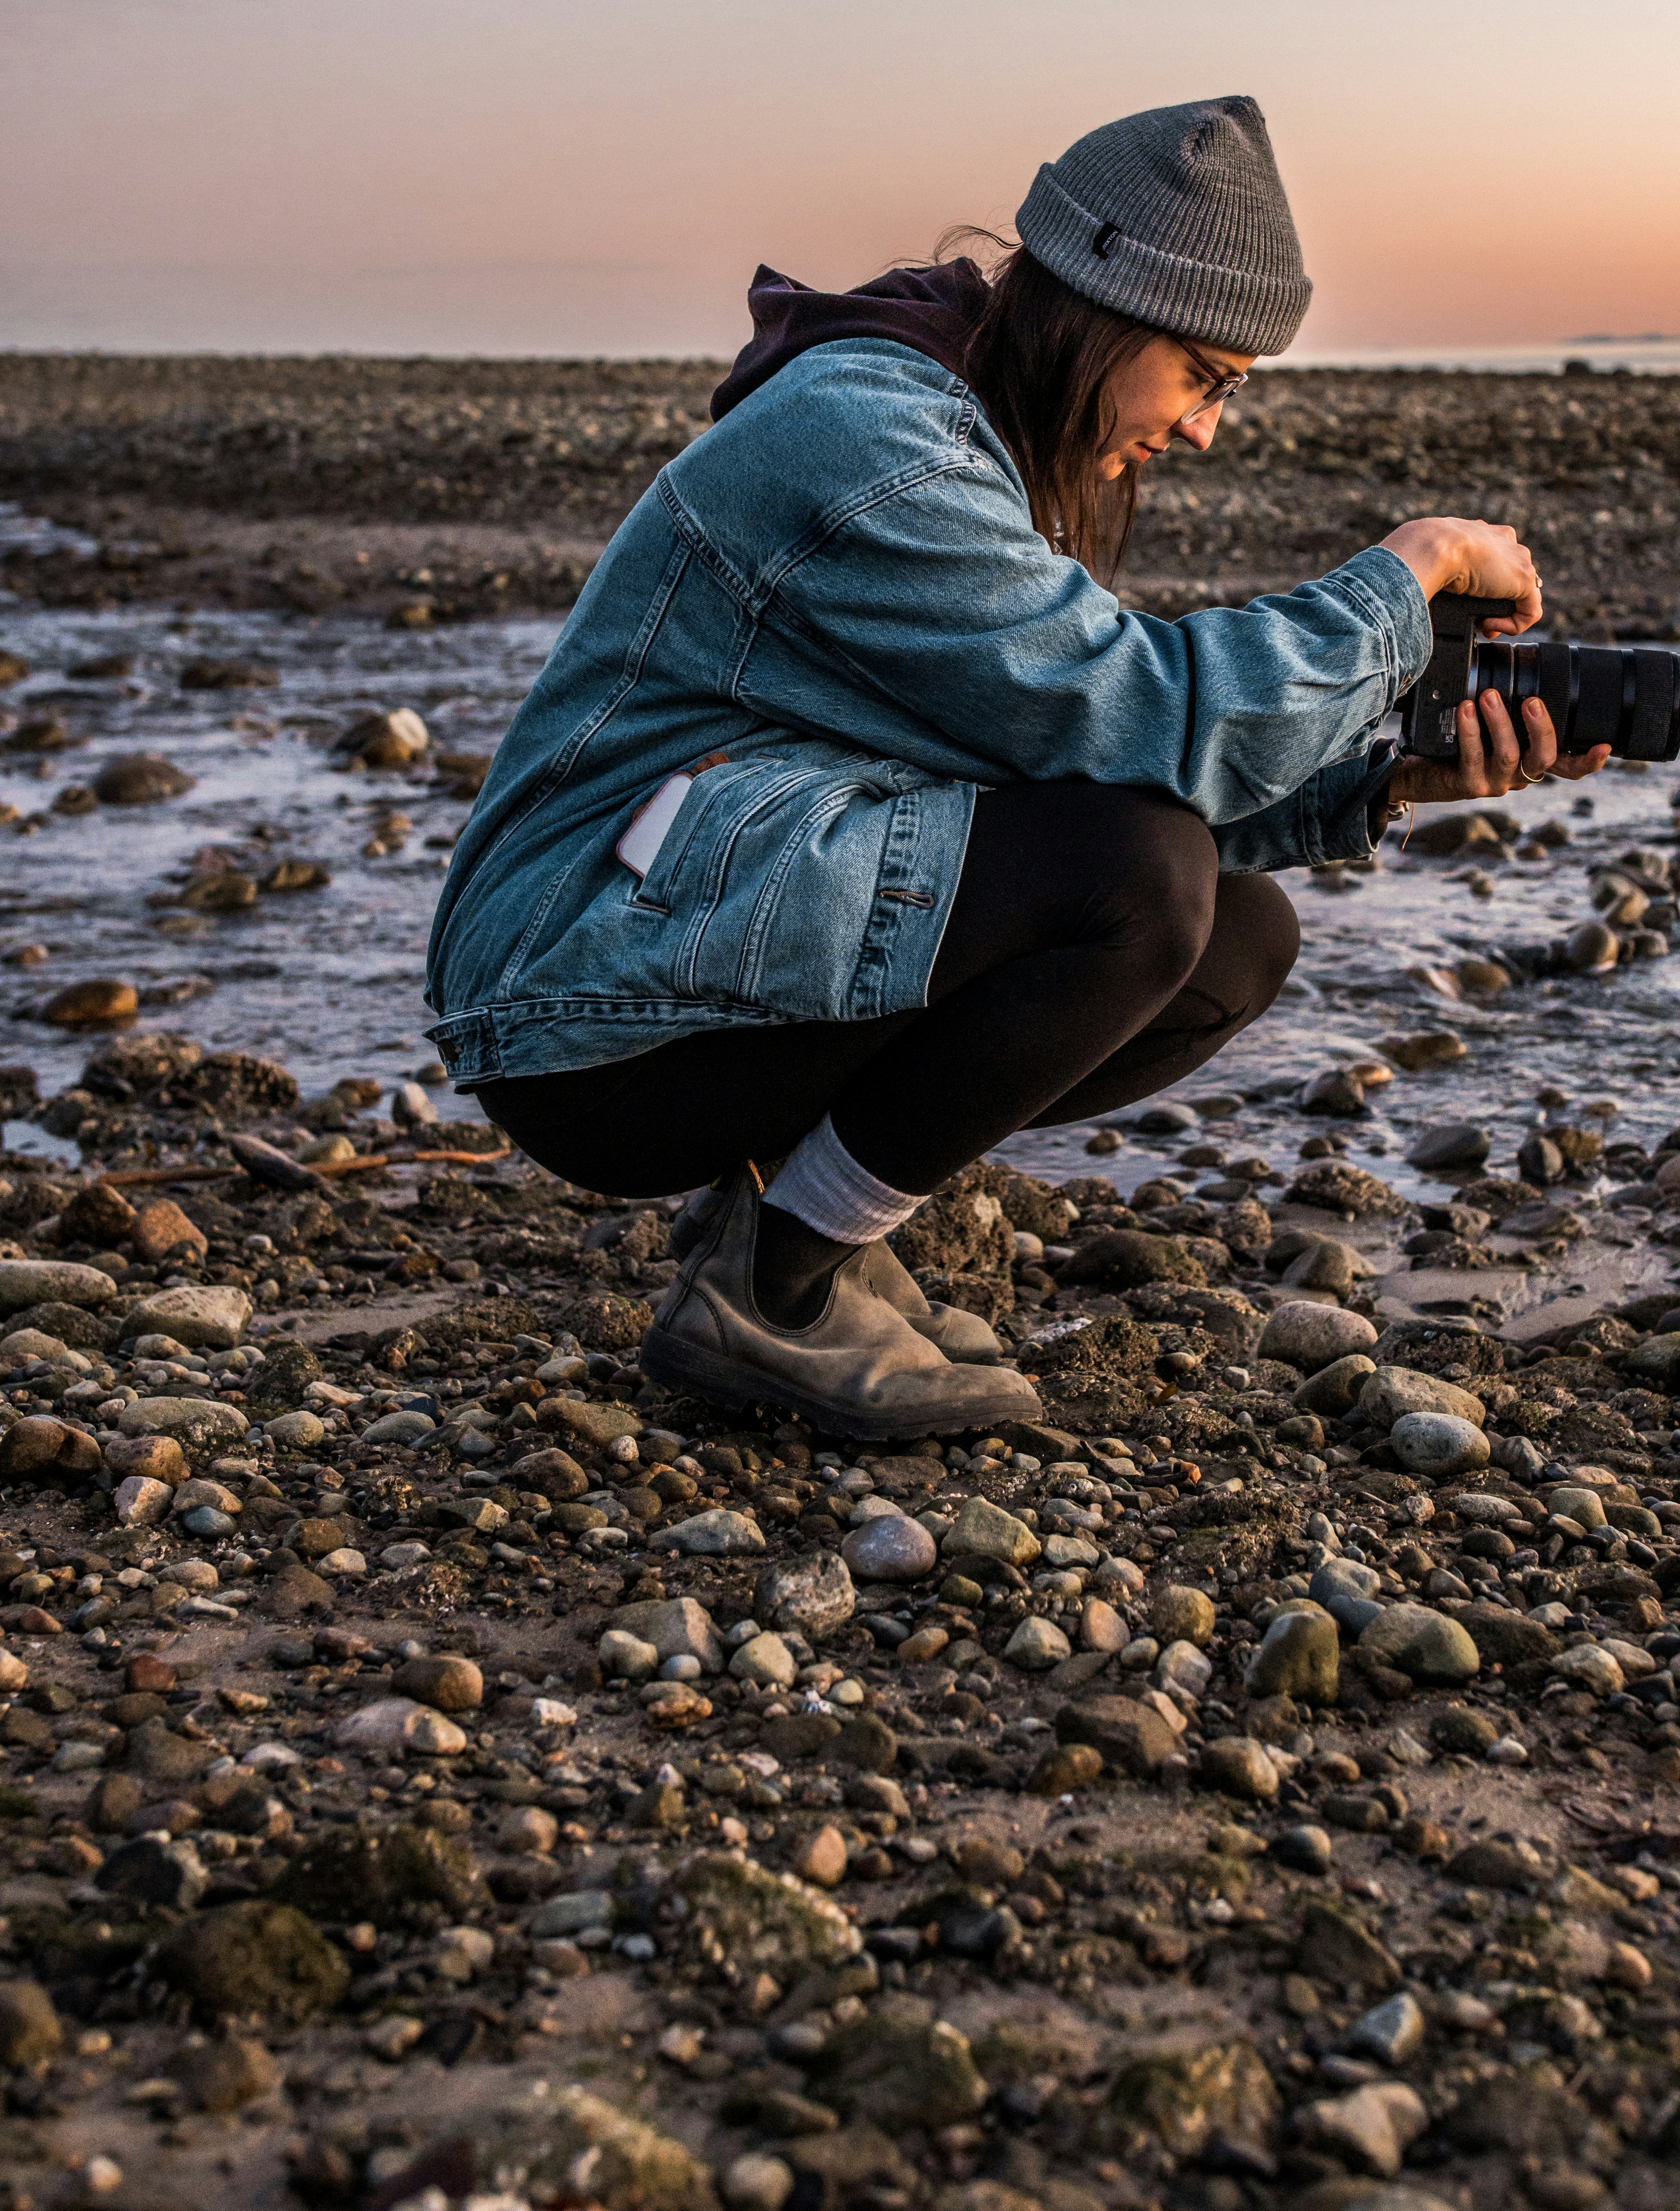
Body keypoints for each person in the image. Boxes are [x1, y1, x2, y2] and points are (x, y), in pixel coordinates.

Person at [424, 96, 1609, 1440]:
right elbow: (1146, 720)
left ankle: (800, 1219)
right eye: (1207, 378)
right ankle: (774, 1287)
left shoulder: (954, 427)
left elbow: (1091, 744)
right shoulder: (881, 445)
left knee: (1231, 931)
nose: (1209, 429)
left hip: (677, 928)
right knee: (1142, 880)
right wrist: (1412, 569)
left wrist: (1386, 778)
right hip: (570, 989)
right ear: (1106, 306)